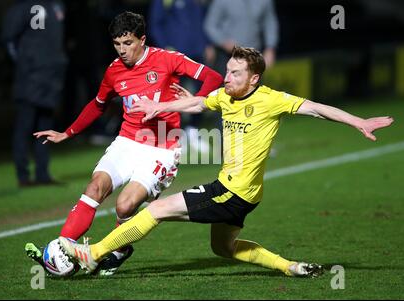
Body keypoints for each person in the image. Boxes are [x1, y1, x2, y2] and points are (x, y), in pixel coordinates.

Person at [58, 46, 394, 277]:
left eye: (234, 73)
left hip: (232, 192)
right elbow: (198, 104)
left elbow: (319, 109)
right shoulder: (225, 96)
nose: (227, 77)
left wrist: (358, 122)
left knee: (154, 211)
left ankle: (95, 253)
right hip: (246, 196)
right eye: (227, 70)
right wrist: (162, 108)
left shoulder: (271, 100)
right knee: (225, 249)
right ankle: (289, 267)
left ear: (254, 79)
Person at [25, 11, 223, 276]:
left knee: (125, 206)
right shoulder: (114, 71)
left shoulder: (167, 59)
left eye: (128, 43)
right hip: (128, 141)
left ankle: (119, 249)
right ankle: (63, 249)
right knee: (96, 186)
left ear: (142, 39)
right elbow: (98, 105)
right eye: (117, 44)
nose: (122, 50)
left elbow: (213, 78)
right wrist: (67, 133)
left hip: (163, 148)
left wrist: (194, 100)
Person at [1, 0, 67, 187]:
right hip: (30, 78)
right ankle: (23, 175)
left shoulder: (56, 6)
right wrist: (25, 64)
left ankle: (42, 173)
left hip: (50, 79)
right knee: (25, 126)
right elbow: (8, 40)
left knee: (45, 127)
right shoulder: (24, 7)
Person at [149, 0, 214, 153]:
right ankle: (177, 135)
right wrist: (165, 48)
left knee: (201, 93)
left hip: (197, 53)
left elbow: (202, 20)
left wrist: (207, 44)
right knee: (173, 94)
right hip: (176, 56)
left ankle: (193, 130)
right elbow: (155, 25)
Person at [204, 0, 279, 75]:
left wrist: (270, 48)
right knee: (227, 85)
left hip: (253, 55)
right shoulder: (221, 1)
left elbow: (269, 23)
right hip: (227, 55)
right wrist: (223, 41)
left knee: (254, 85)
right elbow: (210, 25)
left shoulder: (264, 1)